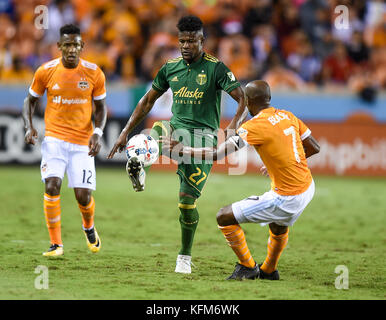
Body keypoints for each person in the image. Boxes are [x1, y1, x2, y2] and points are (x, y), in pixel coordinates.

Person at [107, 15, 246, 274]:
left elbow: (242, 98)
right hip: (175, 129)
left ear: (201, 41)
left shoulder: (216, 68)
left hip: (202, 138)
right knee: (157, 129)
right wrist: (125, 131)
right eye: (182, 40)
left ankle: (184, 257)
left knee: (186, 203)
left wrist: (234, 125)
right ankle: (141, 171)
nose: (185, 45)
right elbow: (147, 101)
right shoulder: (170, 67)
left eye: (191, 41)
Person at [160, 80, 320, 280]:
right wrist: (285, 164)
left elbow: (218, 153)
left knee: (224, 216)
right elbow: (314, 147)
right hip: (307, 187)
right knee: (278, 224)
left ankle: (247, 266)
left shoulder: (254, 126)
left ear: (249, 101)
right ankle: (269, 270)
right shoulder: (288, 116)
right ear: (268, 98)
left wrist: (182, 150)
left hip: (288, 197)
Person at [22, 24, 107, 257]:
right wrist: (29, 127)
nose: (72, 49)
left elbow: (101, 108)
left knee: (83, 196)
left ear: (82, 47)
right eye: (67, 44)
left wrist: (97, 133)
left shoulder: (94, 72)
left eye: (76, 45)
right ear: (59, 46)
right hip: (55, 140)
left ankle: (89, 227)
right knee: (52, 186)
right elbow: (29, 101)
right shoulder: (45, 71)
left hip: (82, 143)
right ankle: (56, 244)